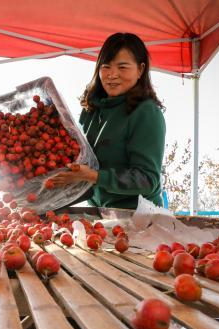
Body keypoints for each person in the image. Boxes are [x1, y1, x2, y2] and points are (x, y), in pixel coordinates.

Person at [50, 32, 166, 210]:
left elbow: (147, 179)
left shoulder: (146, 113)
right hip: (100, 214)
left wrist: (95, 176)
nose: (112, 75)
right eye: (106, 67)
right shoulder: (92, 109)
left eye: (122, 67)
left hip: (140, 218)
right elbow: (80, 160)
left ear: (140, 70)